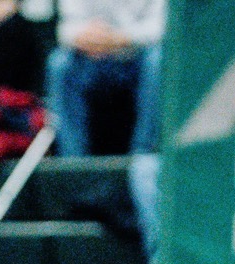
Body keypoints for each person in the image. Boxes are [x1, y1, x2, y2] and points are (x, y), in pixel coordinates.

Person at [45, 0, 162, 157]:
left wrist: (121, 38)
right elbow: (66, 28)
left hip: (138, 56)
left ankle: (142, 155)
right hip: (93, 57)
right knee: (59, 63)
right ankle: (73, 161)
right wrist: (85, 37)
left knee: (158, 60)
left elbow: (163, 26)